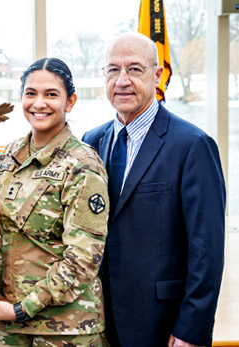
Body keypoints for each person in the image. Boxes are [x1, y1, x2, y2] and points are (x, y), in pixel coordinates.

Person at [82, 33, 226, 347]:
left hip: (161, 324)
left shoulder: (192, 146)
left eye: (134, 69)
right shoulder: (90, 142)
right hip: (96, 322)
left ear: (157, 75)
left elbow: (207, 250)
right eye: (112, 70)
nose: (122, 81)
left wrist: (192, 328)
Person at [0, 57, 109, 347]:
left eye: (51, 94)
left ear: (70, 102)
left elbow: (84, 258)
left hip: (63, 331)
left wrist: (24, 309)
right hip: (4, 324)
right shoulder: (9, 155)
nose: (39, 103)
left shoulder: (83, 164)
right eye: (31, 93)